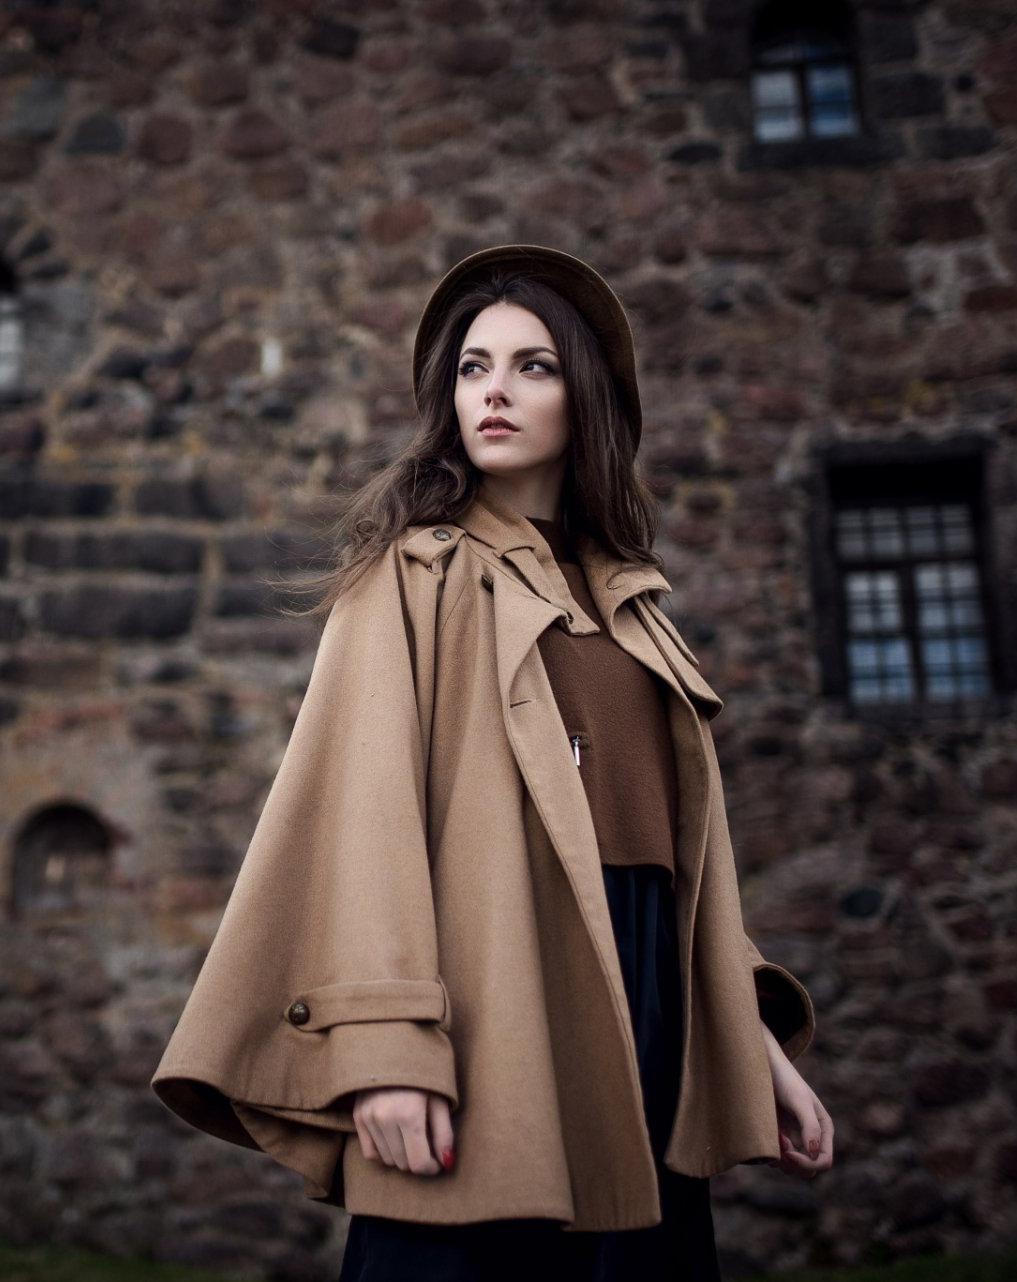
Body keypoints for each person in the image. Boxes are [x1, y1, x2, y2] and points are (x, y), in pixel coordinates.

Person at [151, 244, 834, 1282]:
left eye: (532, 366)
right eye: (473, 368)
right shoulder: (409, 576)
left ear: (585, 397)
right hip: (487, 1003)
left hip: (647, 1000)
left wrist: (751, 1041)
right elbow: (363, 824)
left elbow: (676, 863)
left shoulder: (636, 608)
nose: (495, 392)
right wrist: (384, 1052)